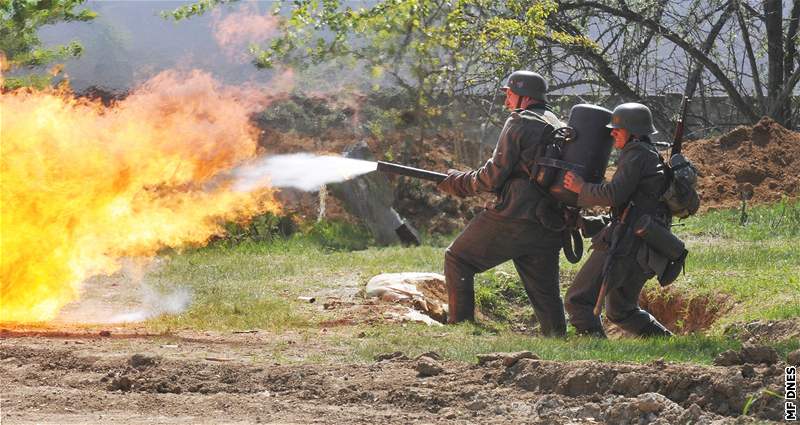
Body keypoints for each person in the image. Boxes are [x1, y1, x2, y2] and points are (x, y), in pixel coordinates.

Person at [436, 70, 567, 337]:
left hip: (512, 216)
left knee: (457, 258)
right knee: (546, 295)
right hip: (548, 222)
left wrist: (458, 182)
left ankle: (460, 328)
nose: (506, 100)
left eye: (509, 93)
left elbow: (492, 176)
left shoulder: (518, 122)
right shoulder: (557, 124)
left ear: (524, 96)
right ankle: (558, 340)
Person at [562, 102, 673, 338]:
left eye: (617, 129)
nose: (612, 133)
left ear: (633, 131)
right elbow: (634, 205)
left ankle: (595, 354)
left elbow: (614, 195)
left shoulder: (636, 154)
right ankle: (666, 342)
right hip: (645, 241)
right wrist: (594, 223)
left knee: (578, 300)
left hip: (627, 243)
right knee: (621, 310)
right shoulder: (648, 154)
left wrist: (581, 187)